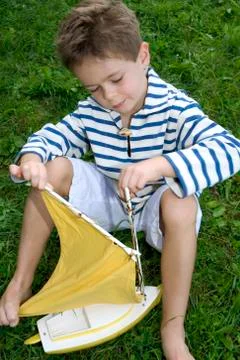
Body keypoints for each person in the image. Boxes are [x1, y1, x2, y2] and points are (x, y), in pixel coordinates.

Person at [0, 0, 239, 359]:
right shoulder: (94, 111)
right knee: (53, 170)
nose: (109, 97)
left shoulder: (175, 108)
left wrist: (160, 165)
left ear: (142, 56)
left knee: (181, 201)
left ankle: (173, 326)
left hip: (158, 208)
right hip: (112, 197)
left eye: (115, 79)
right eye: (93, 88)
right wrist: (33, 159)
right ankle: (21, 283)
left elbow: (230, 149)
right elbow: (54, 137)